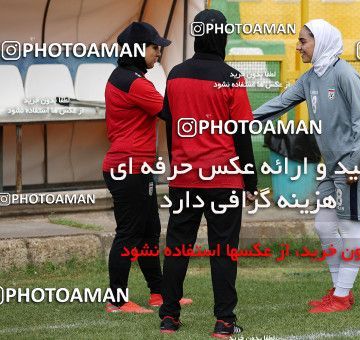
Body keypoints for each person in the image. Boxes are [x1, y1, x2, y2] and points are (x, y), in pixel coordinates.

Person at [253, 19, 360, 313]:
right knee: (323, 225)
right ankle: (338, 290)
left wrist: (355, 164)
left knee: (349, 229)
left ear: (320, 42)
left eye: (303, 41)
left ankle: (342, 297)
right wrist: (243, 120)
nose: (298, 47)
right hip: (331, 166)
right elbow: (282, 102)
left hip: (353, 166)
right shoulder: (310, 78)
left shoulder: (345, 74)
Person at [158, 9, 257, 337]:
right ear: (222, 37)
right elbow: (241, 134)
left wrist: (178, 166)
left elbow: (172, 127)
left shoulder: (174, 75)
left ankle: (169, 317)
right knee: (223, 250)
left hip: (185, 177)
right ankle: (224, 322)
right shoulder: (231, 77)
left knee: (177, 247)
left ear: (197, 35)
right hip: (224, 180)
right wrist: (251, 179)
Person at [102, 21, 192, 313]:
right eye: (154, 47)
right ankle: (116, 301)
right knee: (129, 233)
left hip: (138, 167)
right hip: (127, 168)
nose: (158, 53)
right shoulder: (133, 81)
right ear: (138, 49)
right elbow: (170, 111)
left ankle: (159, 293)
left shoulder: (129, 76)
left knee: (150, 230)